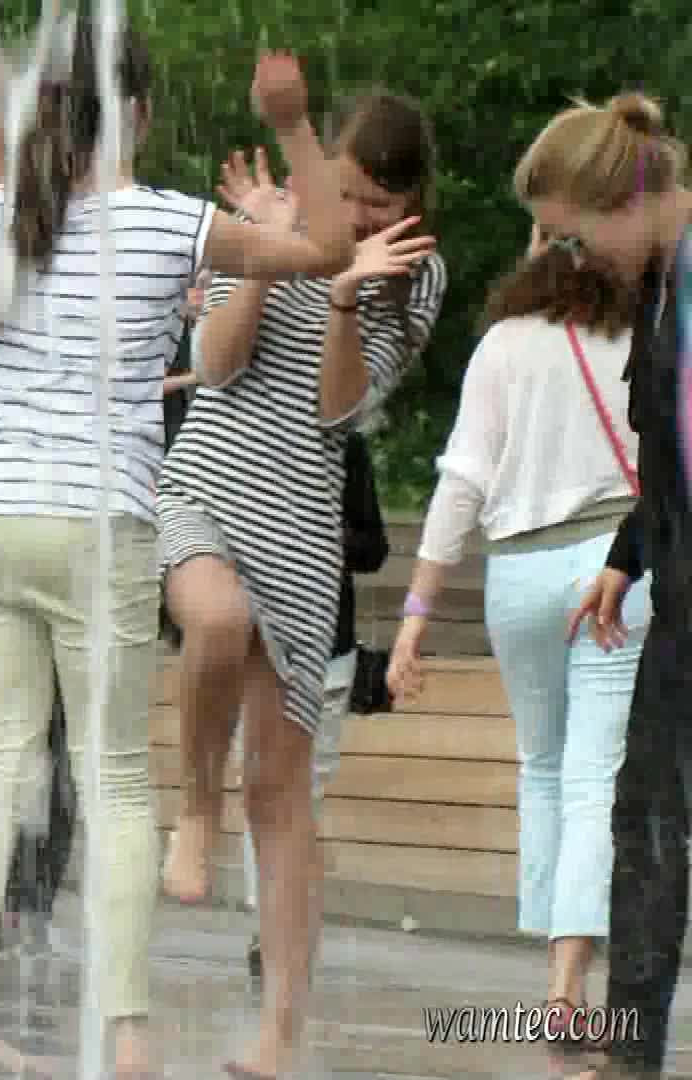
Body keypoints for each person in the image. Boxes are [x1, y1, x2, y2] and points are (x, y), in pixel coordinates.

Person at [0, 25, 361, 1078]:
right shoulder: (173, 224)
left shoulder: (6, 217)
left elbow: (0, 174)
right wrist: (293, 127)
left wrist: (2, 101)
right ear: (142, 116)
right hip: (93, 522)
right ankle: (126, 1035)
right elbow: (330, 252)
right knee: (115, 777)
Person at [158, 87, 445, 1077]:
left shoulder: (415, 275)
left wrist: (344, 293)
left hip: (301, 533)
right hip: (206, 485)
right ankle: (196, 808)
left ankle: (279, 1033)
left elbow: (337, 412)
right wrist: (270, 247)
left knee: (281, 795)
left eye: (377, 202)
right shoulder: (277, 218)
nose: (357, 215)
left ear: (410, 203)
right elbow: (215, 363)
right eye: (347, 191)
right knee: (214, 619)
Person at [387, 234, 642, 1073]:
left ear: (538, 253)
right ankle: (569, 988)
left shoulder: (502, 343)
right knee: (595, 773)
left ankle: (554, 978)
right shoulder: (642, 339)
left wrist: (416, 614)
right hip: (612, 563)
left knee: (545, 767)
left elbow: (462, 480)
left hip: (518, 576)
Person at [519, 91, 692, 1080]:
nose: (576, 262)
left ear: (622, 200)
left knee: (653, 824)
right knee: (644, 825)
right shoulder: (664, 293)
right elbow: (669, 461)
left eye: (576, 238)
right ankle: (630, 1058)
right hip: (680, 605)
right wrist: (627, 559)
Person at [238, 429, 387, 975]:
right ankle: (269, 925)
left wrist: (322, 534)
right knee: (260, 786)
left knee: (304, 792)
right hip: (257, 646)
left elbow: (373, 548)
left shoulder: (346, 445)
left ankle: (280, 927)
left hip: (327, 647)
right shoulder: (240, 439)